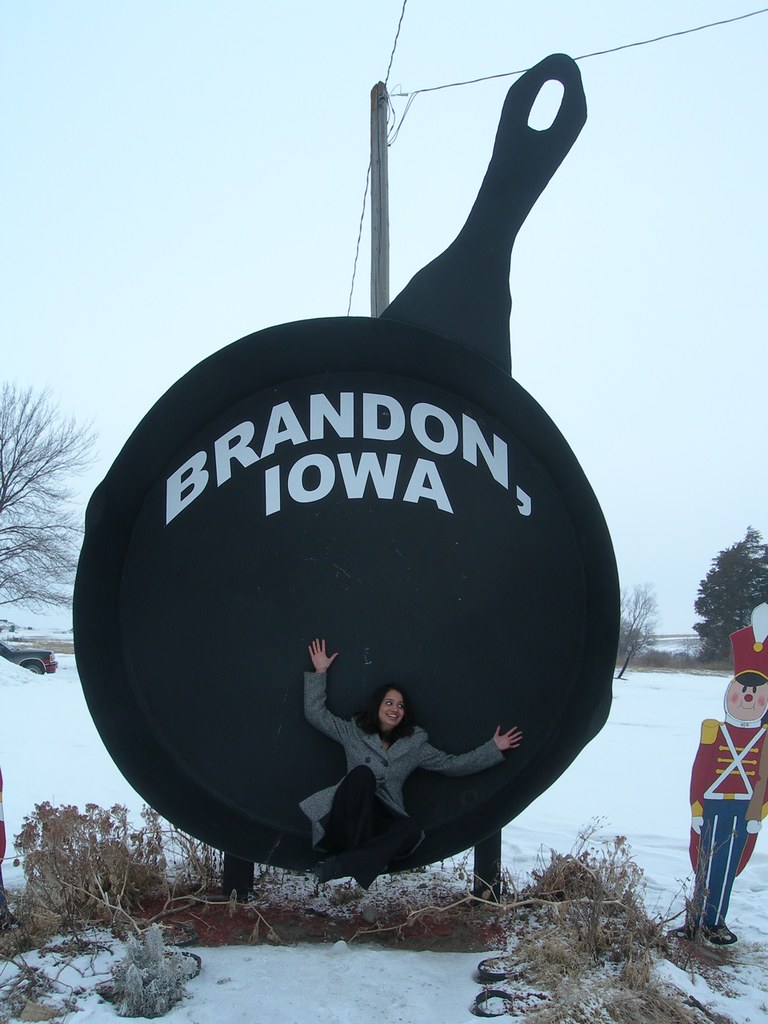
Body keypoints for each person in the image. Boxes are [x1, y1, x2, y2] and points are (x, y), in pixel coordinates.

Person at [299, 638, 523, 889]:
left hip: (379, 821)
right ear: (378, 706)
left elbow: (453, 765)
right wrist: (320, 672)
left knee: (411, 830)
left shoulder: (414, 745)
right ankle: (361, 855)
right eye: (389, 703)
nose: (395, 709)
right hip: (348, 818)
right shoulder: (354, 732)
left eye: (400, 705)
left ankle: (341, 865)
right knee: (363, 774)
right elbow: (316, 714)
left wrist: (493, 748)